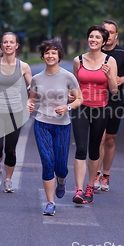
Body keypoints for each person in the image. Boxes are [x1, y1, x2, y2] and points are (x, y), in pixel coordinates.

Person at [27, 40, 83, 215]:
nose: (50, 56)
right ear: (42, 56)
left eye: (54, 53)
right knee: (47, 162)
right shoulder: (37, 78)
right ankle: (50, 203)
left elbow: (79, 99)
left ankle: (61, 180)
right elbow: (32, 98)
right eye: (47, 53)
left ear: (59, 56)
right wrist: (29, 104)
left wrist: (67, 107)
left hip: (62, 126)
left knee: (60, 166)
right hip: (42, 123)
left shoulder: (68, 77)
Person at [71, 25, 118, 204]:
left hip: (100, 109)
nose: (93, 40)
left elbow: (114, 91)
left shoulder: (110, 61)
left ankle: (90, 186)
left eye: (98, 38)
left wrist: (110, 77)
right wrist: (71, 95)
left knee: (93, 149)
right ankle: (79, 189)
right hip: (81, 108)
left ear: (104, 42)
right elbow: (75, 85)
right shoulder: (78, 60)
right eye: (91, 36)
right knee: (80, 148)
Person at [0, 32, 32, 193]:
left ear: (17, 45)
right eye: (5, 42)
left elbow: (33, 88)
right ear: (2, 45)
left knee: (10, 149)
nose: (8, 45)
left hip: (15, 112)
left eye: (11, 42)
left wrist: (31, 99)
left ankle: (9, 179)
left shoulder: (23, 66)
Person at [94, 20, 124, 192]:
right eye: (105, 31)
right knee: (100, 137)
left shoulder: (123, 54)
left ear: (116, 35)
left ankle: (106, 175)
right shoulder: (94, 52)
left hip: (115, 100)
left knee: (110, 139)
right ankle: (95, 173)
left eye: (111, 32)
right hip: (97, 100)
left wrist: (122, 79)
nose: (108, 34)